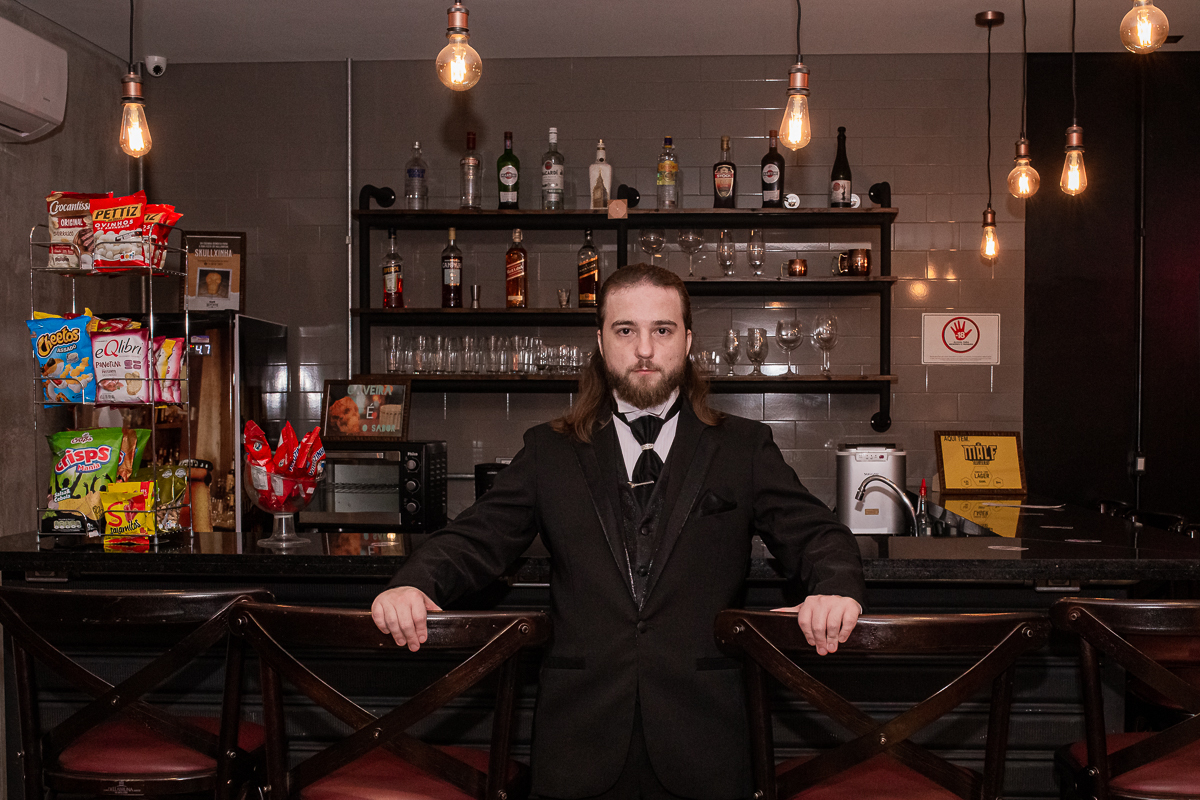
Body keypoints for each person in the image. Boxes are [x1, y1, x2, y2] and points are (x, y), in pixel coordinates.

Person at [372, 264, 865, 800]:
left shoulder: (744, 447)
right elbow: (476, 536)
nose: (645, 349)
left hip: (706, 737)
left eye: (662, 330)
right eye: (626, 330)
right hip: (578, 736)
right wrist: (414, 583)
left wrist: (834, 589)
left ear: (688, 341)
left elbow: (817, 533)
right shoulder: (549, 450)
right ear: (601, 342)